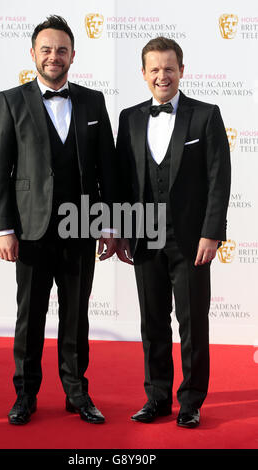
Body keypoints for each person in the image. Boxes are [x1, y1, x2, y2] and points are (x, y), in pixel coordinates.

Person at [0, 15, 117, 425]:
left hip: (81, 228)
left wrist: (110, 224)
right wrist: (3, 229)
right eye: (46, 49)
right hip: (30, 230)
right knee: (31, 316)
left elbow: (107, 169)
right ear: (33, 54)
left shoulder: (93, 101)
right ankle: (25, 395)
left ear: (73, 55)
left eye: (61, 49)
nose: (54, 56)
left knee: (77, 315)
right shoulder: (11, 100)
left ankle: (77, 393)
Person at [116, 37, 231, 428]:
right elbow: (121, 180)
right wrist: (118, 228)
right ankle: (157, 398)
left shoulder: (206, 115)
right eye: (155, 69)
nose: (162, 75)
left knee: (193, 323)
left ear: (182, 70)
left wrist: (212, 232)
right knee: (152, 321)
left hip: (191, 239)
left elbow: (219, 179)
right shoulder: (129, 118)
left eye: (169, 68)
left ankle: (192, 402)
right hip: (144, 237)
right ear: (144, 74)